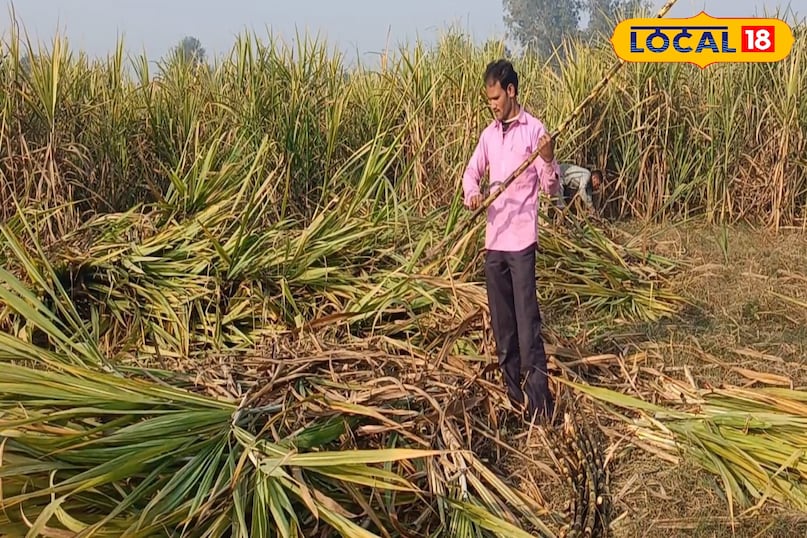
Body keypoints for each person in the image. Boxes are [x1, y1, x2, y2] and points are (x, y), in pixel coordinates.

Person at [461, 59, 559, 423]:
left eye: (496, 97)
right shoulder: (489, 136)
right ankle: (513, 397)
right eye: (489, 100)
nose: (493, 105)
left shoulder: (535, 132)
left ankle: (539, 406)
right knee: (503, 325)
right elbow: (471, 173)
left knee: (526, 321)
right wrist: (472, 194)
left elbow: (550, 189)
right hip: (494, 241)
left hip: (521, 242)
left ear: (511, 91)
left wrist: (548, 162)